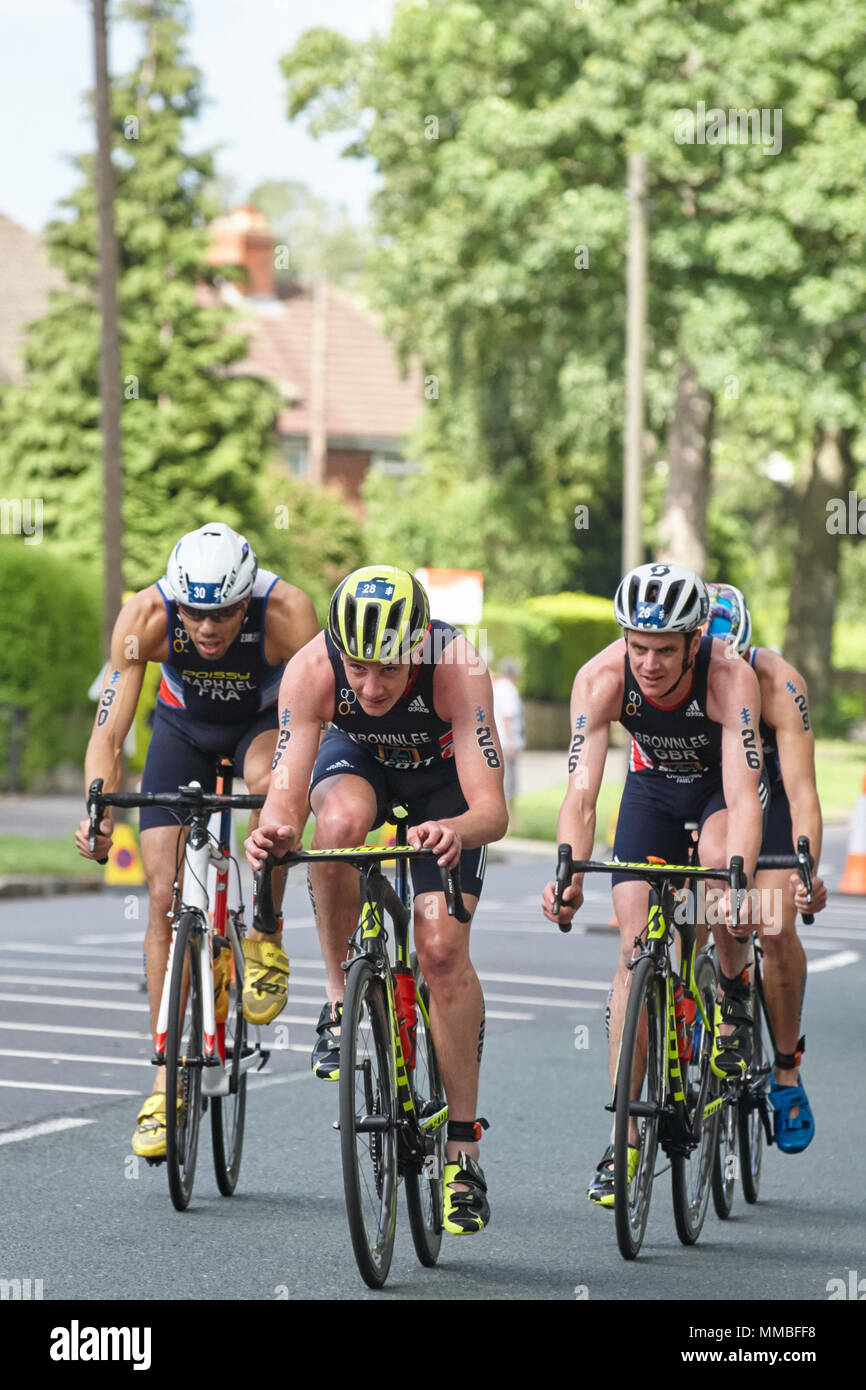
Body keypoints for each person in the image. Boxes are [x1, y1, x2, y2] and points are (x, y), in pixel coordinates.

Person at [245, 565, 508, 1234]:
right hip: (357, 762)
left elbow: (492, 810)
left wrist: (455, 830)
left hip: (444, 788)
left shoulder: (457, 664)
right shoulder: (313, 668)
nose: (370, 685)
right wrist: (274, 830)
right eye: (358, 668)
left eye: (388, 669)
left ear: (418, 645)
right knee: (332, 830)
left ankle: (463, 1150)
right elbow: (286, 788)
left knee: (442, 950)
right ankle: (339, 1000)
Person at [75, 522, 318, 1159]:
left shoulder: (287, 612)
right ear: (176, 602)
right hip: (183, 730)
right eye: (195, 615)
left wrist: (296, 799)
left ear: (247, 602)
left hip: (264, 727)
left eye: (222, 615)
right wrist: (98, 810)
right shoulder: (147, 615)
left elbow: (316, 717)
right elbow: (110, 728)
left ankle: (264, 928)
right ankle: (163, 1082)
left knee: (271, 785)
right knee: (163, 896)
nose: (207, 630)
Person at [541, 562, 767, 1208]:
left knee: (725, 876)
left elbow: (745, 795)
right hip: (650, 794)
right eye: (638, 646)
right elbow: (582, 793)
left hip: (715, 793)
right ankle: (627, 1139)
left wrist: (738, 882)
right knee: (633, 944)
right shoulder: (601, 677)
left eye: (665, 650)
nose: (649, 663)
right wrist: (567, 868)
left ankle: (732, 998)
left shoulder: (730, 677)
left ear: (695, 641)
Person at [704, 581, 827, 1151]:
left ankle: (783, 1065)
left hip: (770, 798)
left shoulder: (779, 682)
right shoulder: (670, 674)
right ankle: (696, 1003)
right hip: (704, 798)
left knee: (773, 923)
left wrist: (805, 874)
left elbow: (802, 793)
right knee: (689, 907)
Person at [492, 657, 525, 825]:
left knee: (501, 781)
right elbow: (507, 717)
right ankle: (510, 819)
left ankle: (508, 818)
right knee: (509, 783)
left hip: (497, 741)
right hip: (507, 743)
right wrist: (511, 743)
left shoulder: (496, 686)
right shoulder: (509, 689)